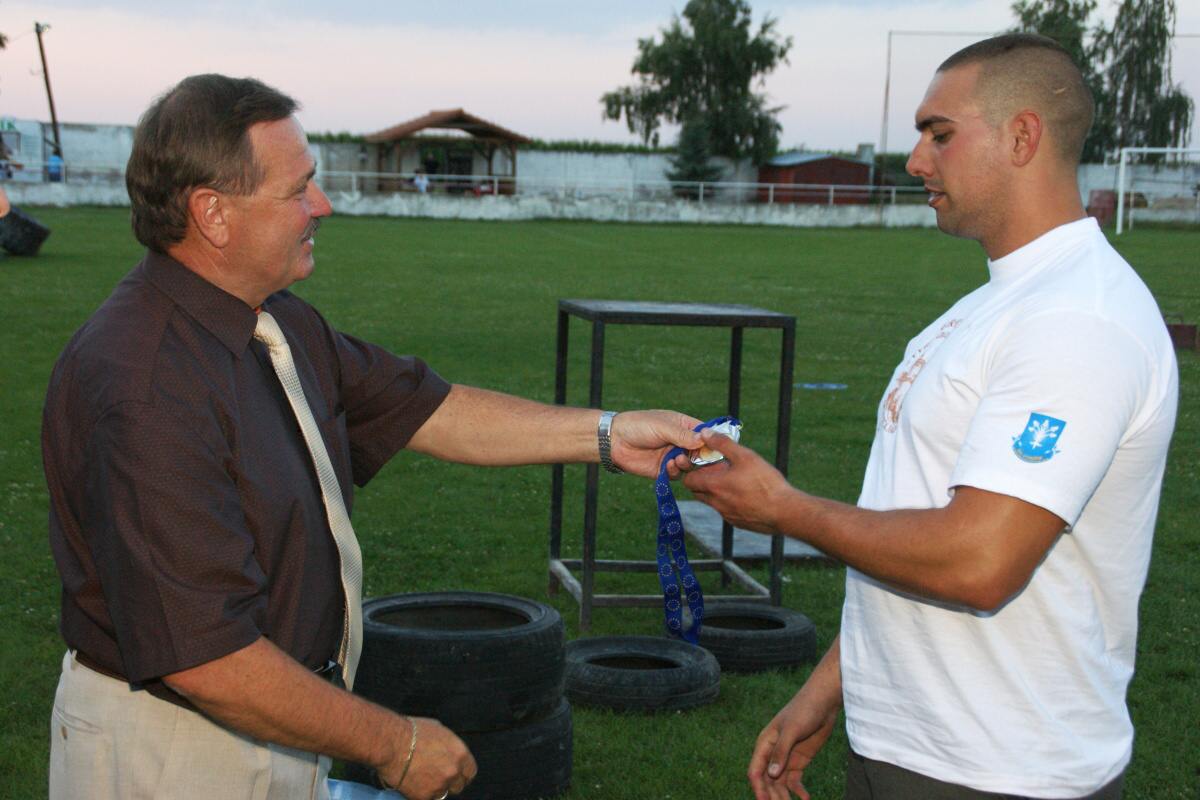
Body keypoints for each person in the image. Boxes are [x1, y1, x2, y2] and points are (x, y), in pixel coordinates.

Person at [42, 73, 703, 800]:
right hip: (174, 754)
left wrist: (609, 434)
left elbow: (432, 410)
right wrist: (396, 744)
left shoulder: (275, 321)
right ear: (213, 213)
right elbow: (207, 657)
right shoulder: (144, 386)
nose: (323, 205)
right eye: (298, 190)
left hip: (276, 720)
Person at [682, 33, 1178, 800]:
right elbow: (909, 519)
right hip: (908, 748)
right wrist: (831, 684)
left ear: (1022, 137)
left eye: (939, 134)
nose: (916, 160)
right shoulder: (987, 308)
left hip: (1002, 771)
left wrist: (784, 509)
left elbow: (980, 561)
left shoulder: (1080, 320)